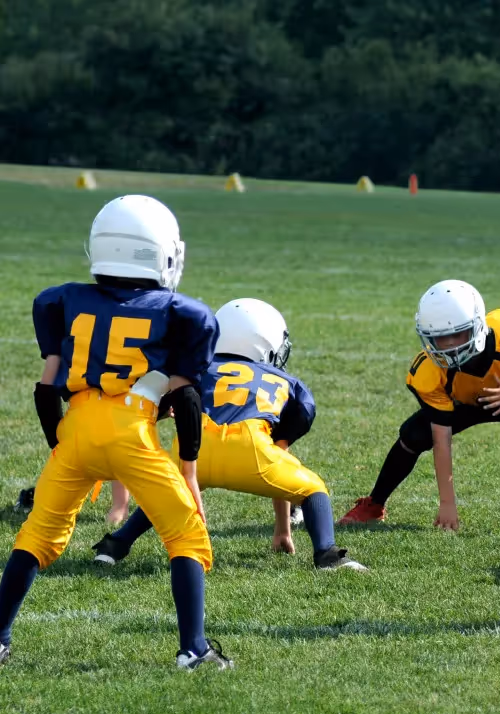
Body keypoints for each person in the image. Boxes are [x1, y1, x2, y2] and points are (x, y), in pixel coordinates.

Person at [0, 195, 230, 669]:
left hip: (77, 427)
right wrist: (189, 470)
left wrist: (61, 446)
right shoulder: (181, 313)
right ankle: (193, 649)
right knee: (186, 535)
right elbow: (187, 398)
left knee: (37, 535)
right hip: (131, 434)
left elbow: (46, 389)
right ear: (163, 253)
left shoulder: (63, 300)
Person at [93, 298, 365, 571]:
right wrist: (283, 529)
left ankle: (114, 546)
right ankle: (327, 555)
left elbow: (156, 402)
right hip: (250, 450)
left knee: (167, 493)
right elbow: (282, 446)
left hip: (195, 449)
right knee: (314, 489)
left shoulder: (196, 367)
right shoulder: (287, 382)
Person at [339, 280, 500, 535]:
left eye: (458, 334)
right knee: (413, 435)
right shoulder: (429, 370)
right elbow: (441, 440)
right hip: (461, 403)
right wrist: (447, 503)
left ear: (477, 325)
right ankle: (374, 505)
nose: (449, 345)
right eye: (440, 338)